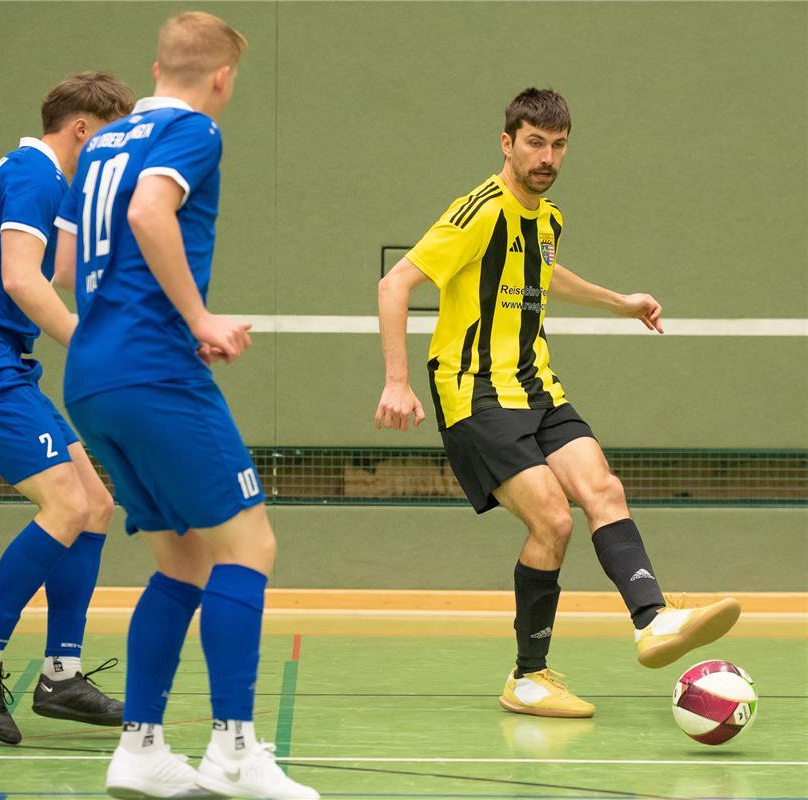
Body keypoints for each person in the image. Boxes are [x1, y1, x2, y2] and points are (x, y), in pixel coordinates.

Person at [374, 88, 740, 719]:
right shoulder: (478, 213)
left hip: (537, 386)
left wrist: (619, 301)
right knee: (553, 519)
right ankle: (528, 676)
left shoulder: (547, 219)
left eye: (559, 145)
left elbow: (545, 274)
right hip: (476, 390)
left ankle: (652, 621)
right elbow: (395, 282)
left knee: (604, 490)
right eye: (535, 143)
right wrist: (396, 380)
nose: (547, 157)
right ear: (507, 143)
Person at [53, 12, 318, 799]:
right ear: (222, 77)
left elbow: (68, 262)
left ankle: (139, 749)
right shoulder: (196, 132)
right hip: (154, 375)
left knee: (183, 558)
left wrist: (164, 309)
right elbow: (147, 213)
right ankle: (234, 749)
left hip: (92, 374)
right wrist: (194, 319)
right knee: (249, 547)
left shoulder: (100, 142)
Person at [0, 72, 135, 745]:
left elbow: (40, 275)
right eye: (111, 135)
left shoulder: (36, 181)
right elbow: (19, 278)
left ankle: (60, 676)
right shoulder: (36, 175)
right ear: (81, 128)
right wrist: (92, 347)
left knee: (96, 505)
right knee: (67, 507)